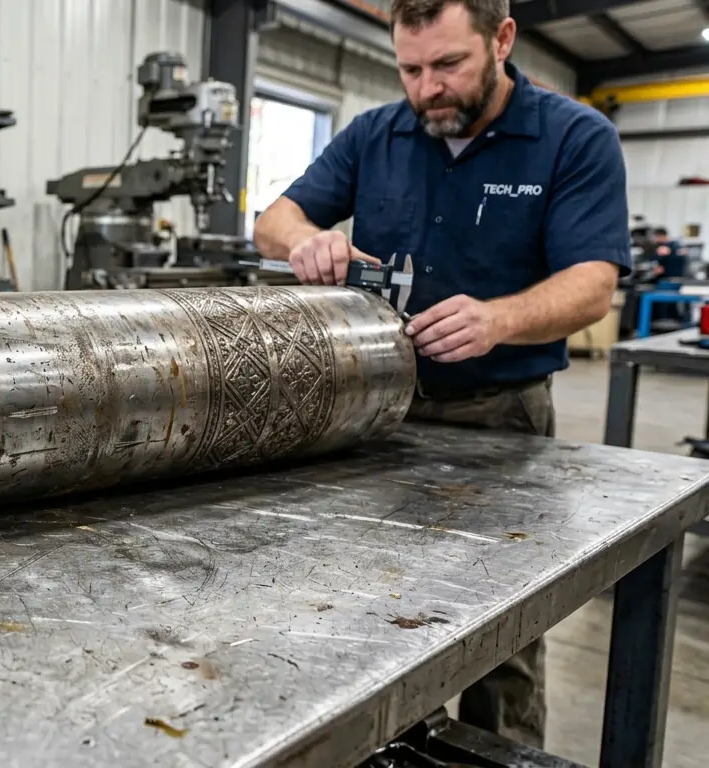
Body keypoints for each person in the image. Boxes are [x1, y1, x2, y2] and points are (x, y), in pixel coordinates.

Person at [253, 0, 630, 749]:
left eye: (449, 64)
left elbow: (591, 283)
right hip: (381, 416)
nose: (429, 88)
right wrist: (309, 241)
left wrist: (499, 320)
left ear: (502, 39)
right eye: (411, 69)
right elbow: (273, 219)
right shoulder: (377, 134)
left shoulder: (573, 137)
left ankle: (503, 752)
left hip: (503, 420)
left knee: (502, 630)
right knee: (376, 608)